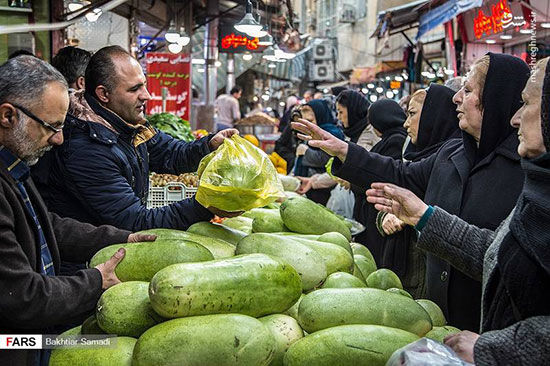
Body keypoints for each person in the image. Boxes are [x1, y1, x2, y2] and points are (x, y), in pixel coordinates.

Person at [292, 52, 529, 331]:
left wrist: (423, 217)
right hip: (437, 318)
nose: (456, 98)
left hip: (488, 333)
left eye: (467, 90)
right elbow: (400, 174)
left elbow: (504, 258)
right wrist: (343, 150)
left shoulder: (526, 171)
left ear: (496, 98)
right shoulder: (452, 153)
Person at [365, 57, 550, 366]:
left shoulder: (522, 175)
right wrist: (423, 217)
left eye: (527, 103)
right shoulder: (537, 185)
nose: (516, 118)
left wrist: (496, 349)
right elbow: (498, 256)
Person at [0, 55, 155, 366]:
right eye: (51, 126)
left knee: (106, 346)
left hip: (31, 339)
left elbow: (45, 226)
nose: (59, 139)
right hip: (11, 345)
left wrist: (123, 239)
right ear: (8, 116)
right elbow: (23, 297)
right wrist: (95, 281)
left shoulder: (13, 164)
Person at [39, 46, 239, 233]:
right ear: (103, 94)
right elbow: (136, 222)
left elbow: (170, 153)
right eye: (134, 89)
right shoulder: (86, 149)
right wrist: (206, 204)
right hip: (90, 261)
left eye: (144, 85)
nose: (147, 95)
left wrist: (209, 145)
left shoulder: (127, 124)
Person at [378, 84, 461, 298]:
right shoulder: (413, 155)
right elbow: (386, 202)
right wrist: (387, 216)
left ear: (434, 116)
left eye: (412, 114)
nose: (406, 123)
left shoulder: (454, 160)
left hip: (428, 281)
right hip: (403, 272)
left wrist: (414, 217)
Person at [352, 98, 407, 270]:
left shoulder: (396, 142)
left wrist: (354, 180)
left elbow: (381, 179)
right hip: (377, 215)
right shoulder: (391, 139)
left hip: (382, 217)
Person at [294, 99, 344, 205]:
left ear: (320, 115)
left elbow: (326, 159)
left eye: (311, 121)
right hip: (309, 185)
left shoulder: (331, 133)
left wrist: (306, 151)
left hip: (322, 188)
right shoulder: (312, 132)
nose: (309, 125)